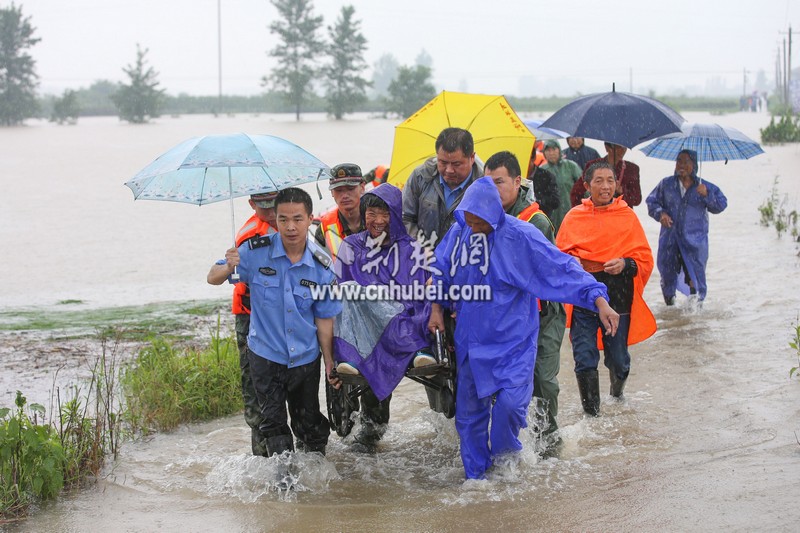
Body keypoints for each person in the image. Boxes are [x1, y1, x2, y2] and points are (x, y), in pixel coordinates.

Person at [428, 176, 618, 480]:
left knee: (511, 407)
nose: (473, 224)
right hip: (471, 342)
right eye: (469, 217)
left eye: (478, 218)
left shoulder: (521, 237)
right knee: (469, 417)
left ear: (492, 212)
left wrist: (598, 299)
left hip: (513, 344)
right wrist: (436, 307)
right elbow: (439, 269)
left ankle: (506, 469)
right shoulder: (461, 231)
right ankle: (476, 480)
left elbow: (561, 268)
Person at [215, 187, 341, 457]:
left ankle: (318, 481)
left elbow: (324, 317)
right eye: (283, 219)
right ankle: (284, 487)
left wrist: (329, 360)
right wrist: (228, 266)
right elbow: (212, 277)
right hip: (266, 355)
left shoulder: (322, 264)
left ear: (310, 219)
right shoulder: (253, 251)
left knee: (308, 425)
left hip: (305, 357)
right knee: (273, 424)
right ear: (275, 218)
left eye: (297, 219)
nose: (290, 226)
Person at [333, 184, 434, 448]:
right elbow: (338, 288)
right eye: (372, 213)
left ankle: (419, 350)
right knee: (346, 291)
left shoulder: (413, 248)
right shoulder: (350, 246)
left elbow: (420, 291)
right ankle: (352, 360)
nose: (378, 220)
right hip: (366, 326)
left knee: (429, 296)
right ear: (364, 214)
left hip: (405, 318)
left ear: (397, 214)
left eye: (385, 213)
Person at [557, 162, 656, 416]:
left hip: (618, 294)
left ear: (616, 184)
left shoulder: (627, 216)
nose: (605, 186)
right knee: (584, 357)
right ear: (587, 185)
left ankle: (617, 395)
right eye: (599, 181)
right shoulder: (574, 217)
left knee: (619, 361)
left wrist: (624, 263)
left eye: (610, 180)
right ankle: (592, 418)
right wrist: (573, 262)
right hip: (584, 296)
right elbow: (559, 256)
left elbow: (643, 259)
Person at [485, 151, 566, 443]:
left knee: (542, 380)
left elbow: (547, 275)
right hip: (505, 318)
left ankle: (549, 443)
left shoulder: (535, 221)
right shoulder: (483, 220)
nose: (493, 191)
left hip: (543, 315)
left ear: (518, 181)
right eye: (487, 184)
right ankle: (512, 443)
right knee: (501, 386)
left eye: (499, 182)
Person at [207, 191, 278, 456]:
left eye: (274, 204)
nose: (270, 211)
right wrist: (229, 266)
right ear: (252, 204)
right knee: (256, 390)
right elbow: (213, 276)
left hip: (286, 315)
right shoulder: (248, 235)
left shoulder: (293, 222)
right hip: (251, 317)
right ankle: (262, 456)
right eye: (263, 206)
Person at [645, 149, 728, 305]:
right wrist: (660, 214)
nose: (681, 165)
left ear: (694, 165)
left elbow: (721, 205)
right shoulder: (666, 184)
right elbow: (651, 202)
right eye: (679, 161)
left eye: (686, 162)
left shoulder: (704, 187)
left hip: (695, 242)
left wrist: (707, 195)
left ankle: (694, 315)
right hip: (670, 240)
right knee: (668, 274)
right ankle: (671, 309)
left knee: (695, 276)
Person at [402, 127, 483, 247]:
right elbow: (405, 218)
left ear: (472, 158)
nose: (449, 170)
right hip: (422, 257)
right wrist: (420, 247)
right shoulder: (420, 177)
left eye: (456, 164)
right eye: (443, 162)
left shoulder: (483, 187)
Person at [315, 163, 366, 260]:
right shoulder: (323, 228)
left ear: (362, 187)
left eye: (350, 189)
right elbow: (320, 269)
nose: (345, 195)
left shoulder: (379, 221)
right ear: (332, 193)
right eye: (338, 190)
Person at [570, 142, 642, 208]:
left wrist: (623, 191)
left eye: (624, 147)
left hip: (621, 215)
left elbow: (637, 199)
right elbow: (576, 192)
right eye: (618, 147)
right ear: (607, 148)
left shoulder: (631, 169)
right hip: (596, 214)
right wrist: (583, 211)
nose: (623, 150)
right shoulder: (593, 166)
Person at [540, 140, 584, 234]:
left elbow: (584, 188)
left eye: (554, 149)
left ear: (559, 150)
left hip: (572, 211)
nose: (551, 153)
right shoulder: (542, 170)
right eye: (548, 150)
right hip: (552, 216)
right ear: (544, 153)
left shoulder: (571, 166)